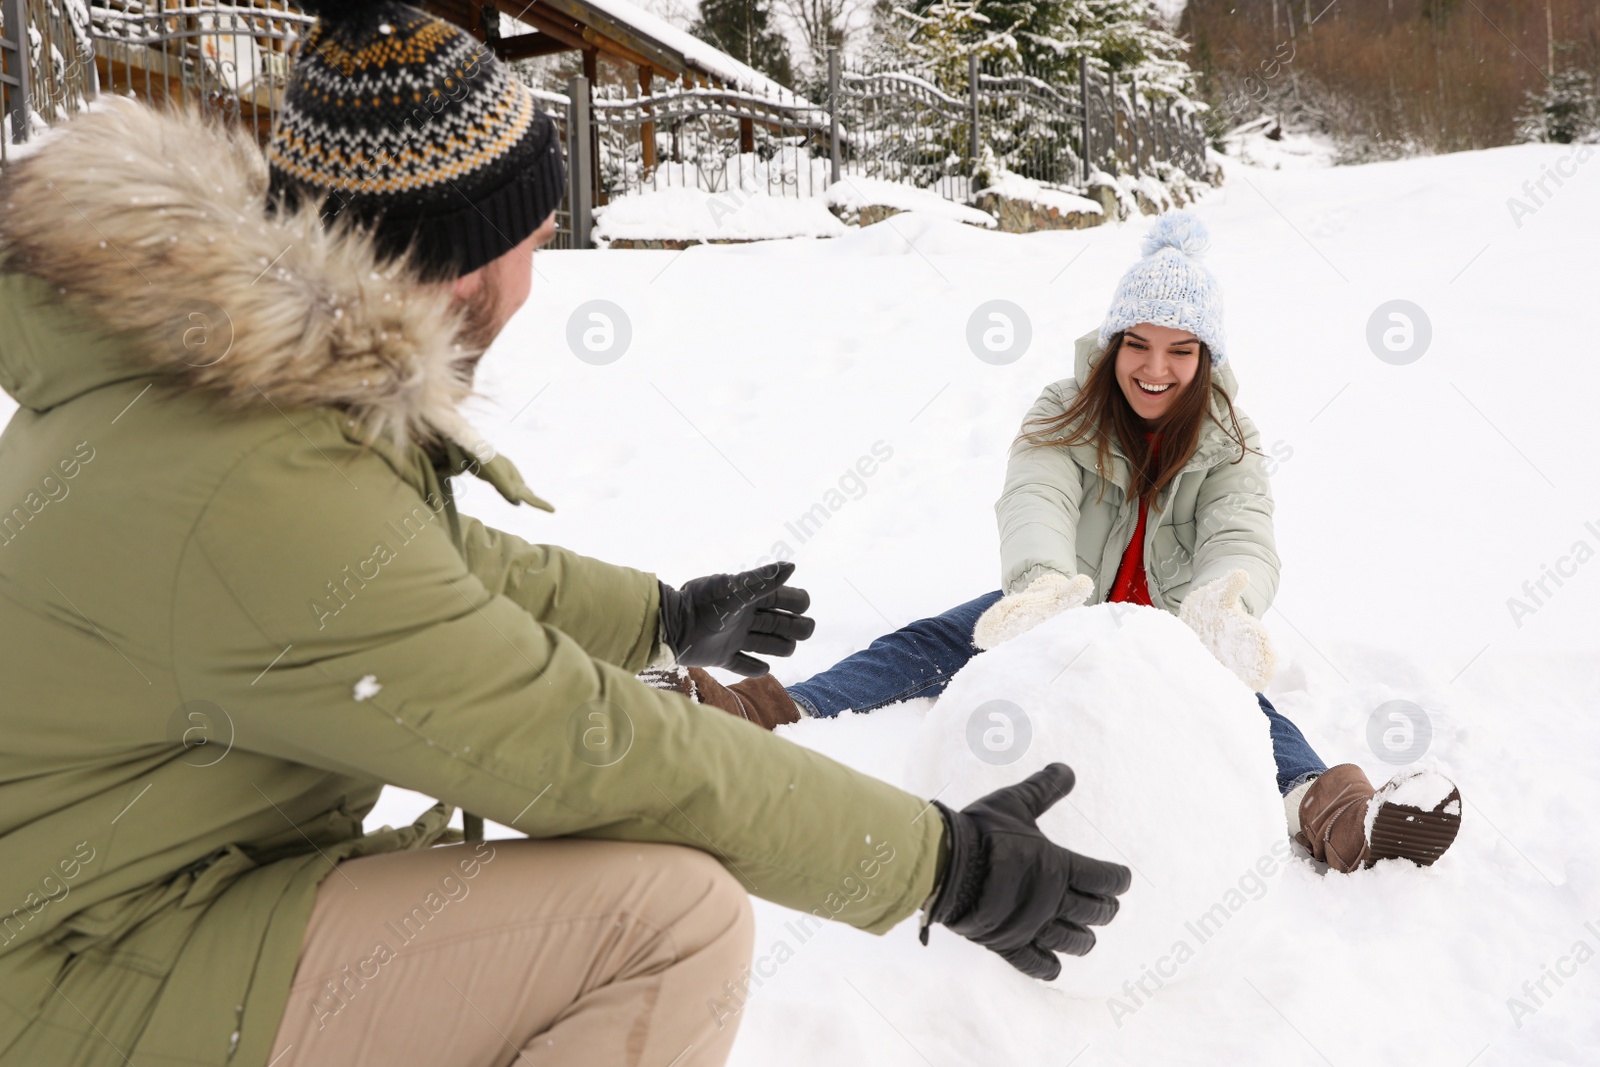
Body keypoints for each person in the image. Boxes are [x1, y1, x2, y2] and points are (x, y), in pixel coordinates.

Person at [0, 4, 1133, 1066]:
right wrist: (941, 863)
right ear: (466, 259)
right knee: (668, 920)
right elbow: (577, 743)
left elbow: (427, 570)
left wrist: (662, 614)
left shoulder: (217, 392)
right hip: (77, 977)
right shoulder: (255, 484)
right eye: (535, 240)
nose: (536, 277)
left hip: (124, 907)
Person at [663, 213, 1463, 875]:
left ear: (1206, 357)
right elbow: (1035, 493)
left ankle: (1341, 813)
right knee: (931, 640)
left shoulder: (1230, 438)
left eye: (1180, 349)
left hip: (1169, 633)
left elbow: (1242, 529)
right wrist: (1043, 581)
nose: (1155, 368)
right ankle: (763, 707)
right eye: (1138, 344)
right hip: (1064, 610)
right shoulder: (1064, 410)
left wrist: (1227, 601)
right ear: (1112, 341)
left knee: (1245, 707)